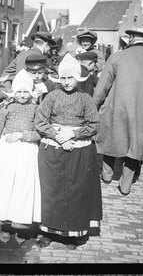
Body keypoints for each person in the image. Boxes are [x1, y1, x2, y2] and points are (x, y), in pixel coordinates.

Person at [93, 23, 143, 195]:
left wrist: (94, 105)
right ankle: (126, 184)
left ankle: (106, 175)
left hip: (116, 106)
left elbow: (102, 86)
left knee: (112, 137)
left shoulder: (117, 57)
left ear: (131, 38)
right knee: (136, 144)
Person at [34, 54, 102, 249]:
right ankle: (48, 232)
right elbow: (40, 121)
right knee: (52, 191)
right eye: (63, 78)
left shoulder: (86, 99)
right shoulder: (51, 97)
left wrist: (72, 135)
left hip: (78, 150)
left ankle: (72, 234)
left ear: (77, 78)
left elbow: (94, 125)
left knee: (75, 191)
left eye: (70, 78)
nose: (66, 82)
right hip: (53, 150)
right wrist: (58, 137)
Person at [0, 69, 42, 244]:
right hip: (7, 151)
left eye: (26, 92)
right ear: (14, 92)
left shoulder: (36, 109)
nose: (22, 95)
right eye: (19, 92)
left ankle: (22, 225)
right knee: (6, 187)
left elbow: (40, 132)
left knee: (23, 188)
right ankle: (6, 226)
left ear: (31, 92)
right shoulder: (6, 108)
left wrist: (22, 135)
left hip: (27, 151)